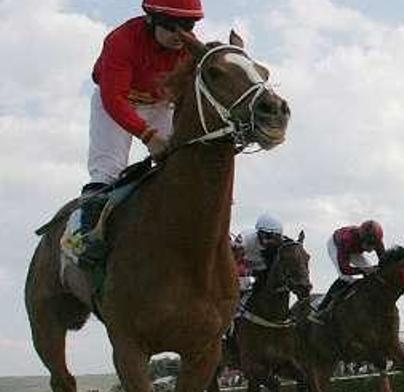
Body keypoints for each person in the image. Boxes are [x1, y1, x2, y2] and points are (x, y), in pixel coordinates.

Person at [62, 0, 204, 262]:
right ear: (151, 19)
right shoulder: (121, 40)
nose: (180, 35)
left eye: (188, 26)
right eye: (172, 26)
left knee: (182, 164)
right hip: (116, 102)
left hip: (160, 104)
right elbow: (114, 98)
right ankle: (81, 237)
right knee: (108, 169)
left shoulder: (191, 50)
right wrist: (148, 136)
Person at [310, 220, 386, 323]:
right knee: (345, 278)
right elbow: (344, 269)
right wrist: (363, 270)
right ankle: (320, 307)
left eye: (374, 245)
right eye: (368, 244)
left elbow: (384, 262)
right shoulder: (347, 240)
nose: (371, 249)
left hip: (354, 249)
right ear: (362, 238)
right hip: (337, 246)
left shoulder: (377, 241)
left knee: (372, 275)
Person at [232, 214, 285, 292]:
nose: (268, 241)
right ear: (259, 232)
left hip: (265, 272)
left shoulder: (281, 243)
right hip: (245, 270)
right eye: (266, 236)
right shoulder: (246, 238)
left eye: (273, 237)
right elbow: (233, 259)